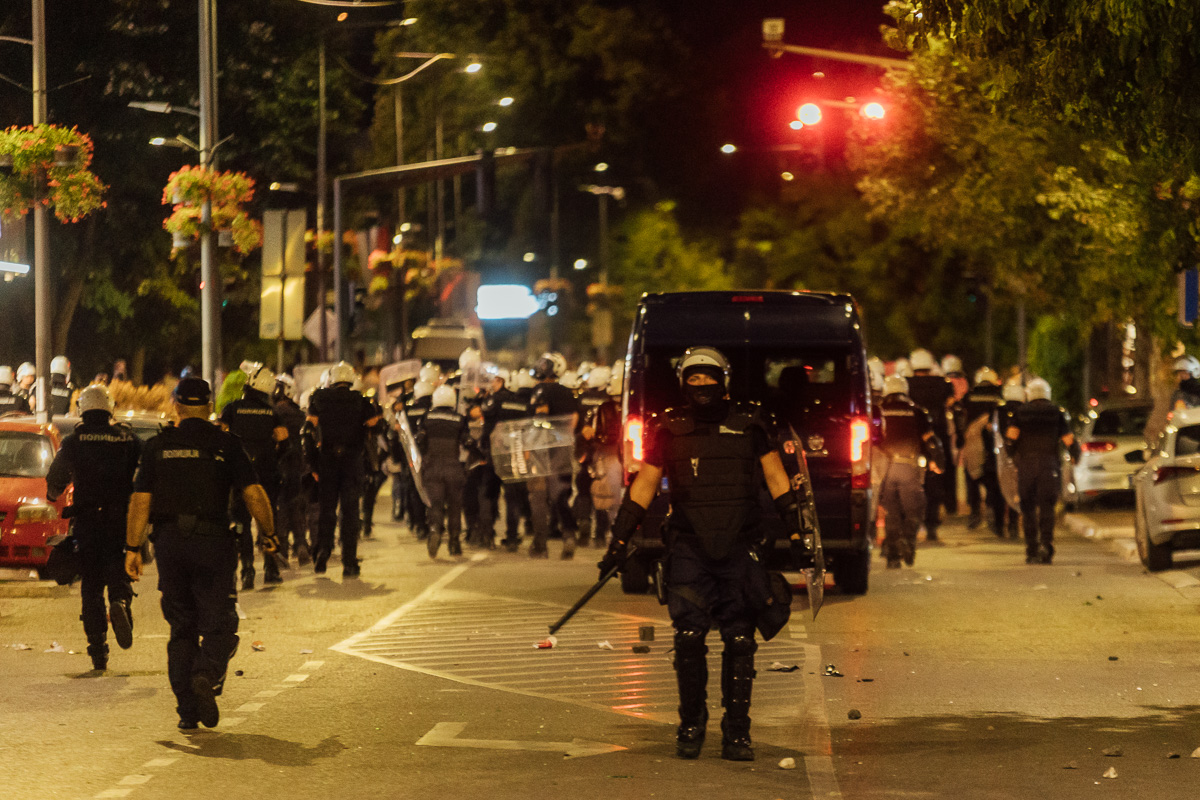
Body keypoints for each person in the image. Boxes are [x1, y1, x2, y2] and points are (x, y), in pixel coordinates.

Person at [598, 346, 813, 762]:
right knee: (689, 638)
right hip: (689, 547)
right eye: (693, 379)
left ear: (724, 382)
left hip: (741, 547)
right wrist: (619, 541)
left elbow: (776, 479)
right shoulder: (670, 428)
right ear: (683, 383)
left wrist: (798, 534)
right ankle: (691, 725)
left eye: (708, 378)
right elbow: (644, 485)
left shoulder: (752, 424)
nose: (702, 386)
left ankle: (737, 733)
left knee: (739, 640)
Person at [124, 377, 278, 730]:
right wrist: (269, 535)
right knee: (221, 622)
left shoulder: (158, 447)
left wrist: (132, 548)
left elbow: (140, 501)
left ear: (176, 405)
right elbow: (254, 493)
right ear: (209, 406)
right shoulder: (226, 444)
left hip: (170, 545)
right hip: (213, 545)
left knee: (181, 629)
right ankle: (206, 674)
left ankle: (187, 712)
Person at [45, 385, 142, 671]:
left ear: (82, 409)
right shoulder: (127, 438)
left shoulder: (74, 442)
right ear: (109, 408)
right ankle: (121, 603)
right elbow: (145, 474)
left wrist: (54, 494)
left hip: (87, 522)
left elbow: (55, 480)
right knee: (118, 567)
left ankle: (98, 647)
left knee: (91, 585)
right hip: (119, 520)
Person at [307, 361, 381, 577]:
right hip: (351, 461)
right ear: (350, 380)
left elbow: (308, 429)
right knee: (349, 512)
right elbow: (375, 427)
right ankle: (349, 562)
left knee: (327, 510)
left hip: (327, 459)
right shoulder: (360, 400)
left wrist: (313, 462)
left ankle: (323, 551)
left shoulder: (319, 398)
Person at [220, 365, 289, 589]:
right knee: (267, 521)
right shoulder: (272, 412)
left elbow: (222, 437)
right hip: (267, 473)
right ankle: (271, 568)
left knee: (241, 522)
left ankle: (247, 570)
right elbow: (284, 440)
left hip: (239, 473)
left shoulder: (232, 409)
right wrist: (273, 457)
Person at [1005, 378, 1077, 564]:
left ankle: (1031, 549)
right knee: (1047, 508)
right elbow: (1068, 440)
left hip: (1026, 466)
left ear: (1029, 394)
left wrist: (1012, 455)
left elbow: (1011, 439)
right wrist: (1075, 455)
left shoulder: (1019, 413)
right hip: (1049, 465)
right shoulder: (1057, 413)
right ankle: (1046, 545)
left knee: (1027, 508)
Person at [877, 375, 942, 568]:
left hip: (886, 469)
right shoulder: (917, 411)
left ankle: (893, 557)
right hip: (909, 466)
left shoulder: (879, 411)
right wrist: (936, 462)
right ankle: (908, 541)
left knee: (891, 512)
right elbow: (930, 441)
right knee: (914, 509)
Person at [528, 353, 579, 558]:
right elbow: (573, 419)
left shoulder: (537, 391)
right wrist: (564, 439)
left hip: (540, 449)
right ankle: (569, 537)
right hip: (561, 449)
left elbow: (536, 420)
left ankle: (540, 543)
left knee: (538, 497)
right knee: (560, 496)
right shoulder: (566, 393)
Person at [905, 349, 955, 542]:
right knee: (935, 481)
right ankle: (932, 525)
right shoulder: (943, 384)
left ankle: (912, 524)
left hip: (913, 440)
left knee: (911, 481)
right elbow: (951, 404)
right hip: (937, 439)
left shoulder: (907, 384)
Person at [418, 384, 474, 557]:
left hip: (432, 466)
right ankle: (454, 543)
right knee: (455, 506)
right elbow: (467, 442)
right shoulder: (459, 419)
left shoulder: (427, 417)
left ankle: (435, 529)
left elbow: (419, 440)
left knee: (436, 503)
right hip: (453, 466)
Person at [481, 368, 533, 551]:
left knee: (489, 495)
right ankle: (512, 538)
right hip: (514, 454)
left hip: (494, 454)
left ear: (503, 381)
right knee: (513, 497)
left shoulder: (494, 400)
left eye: (495, 381)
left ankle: (487, 535)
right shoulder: (521, 403)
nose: (492, 384)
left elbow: (484, 414)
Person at [961, 367, 1005, 533]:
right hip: (994, 444)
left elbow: (960, 416)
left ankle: (974, 512)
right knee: (995, 482)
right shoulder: (1000, 396)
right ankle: (995, 515)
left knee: (972, 478)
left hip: (972, 444)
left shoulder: (969, 396)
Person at [274, 374, 310, 565]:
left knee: (281, 509)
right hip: (297, 466)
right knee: (297, 507)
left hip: (279, 466)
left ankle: (282, 550)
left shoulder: (273, 413)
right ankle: (301, 544)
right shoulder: (299, 414)